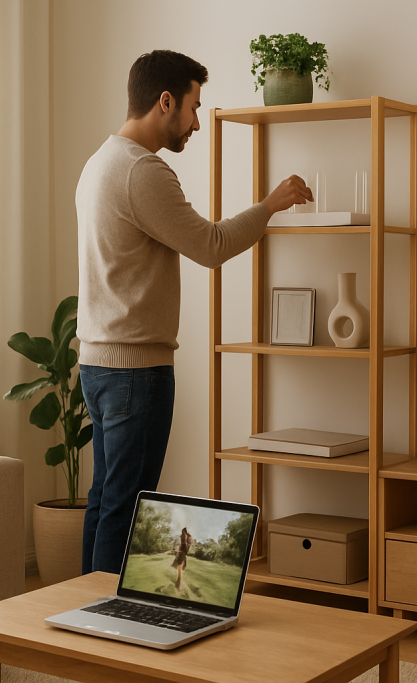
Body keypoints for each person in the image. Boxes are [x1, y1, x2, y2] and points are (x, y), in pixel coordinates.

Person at [76, 50, 312, 574]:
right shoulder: (142, 171)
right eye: (194, 107)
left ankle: (83, 619)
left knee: (105, 500)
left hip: (98, 363)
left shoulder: (98, 163)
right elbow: (211, 245)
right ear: (166, 102)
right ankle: (109, 630)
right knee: (126, 505)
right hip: (135, 370)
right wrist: (269, 205)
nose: (197, 124)